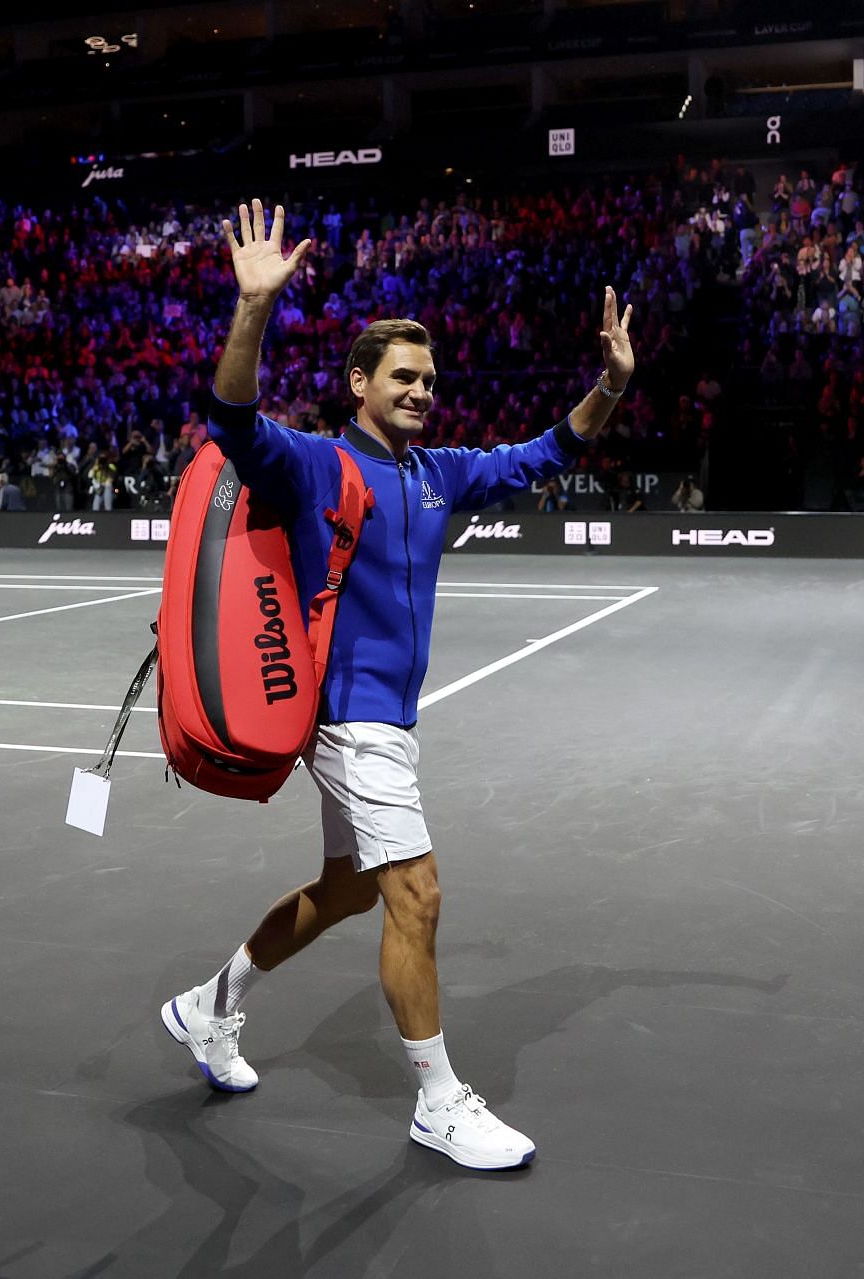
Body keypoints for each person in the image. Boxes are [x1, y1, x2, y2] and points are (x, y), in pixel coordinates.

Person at [159, 198, 636, 1171]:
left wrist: (611, 385)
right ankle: (438, 1100)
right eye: (404, 377)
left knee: (344, 890)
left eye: (429, 378)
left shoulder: (437, 473)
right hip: (347, 720)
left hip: (390, 722)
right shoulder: (316, 463)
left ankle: (209, 1006)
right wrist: (253, 308)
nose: (422, 390)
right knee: (414, 895)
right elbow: (234, 419)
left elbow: (546, 451)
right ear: (359, 382)